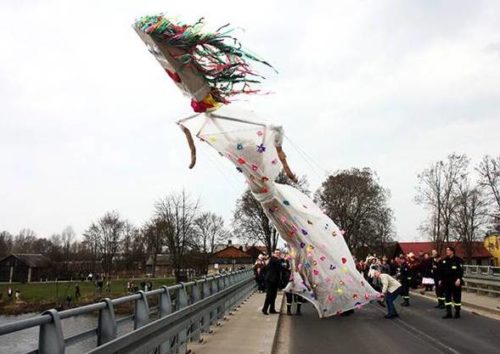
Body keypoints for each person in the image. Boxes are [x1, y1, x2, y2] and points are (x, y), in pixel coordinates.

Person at [440, 246, 463, 319]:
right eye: (446, 250)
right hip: (447, 282)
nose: (446, 251)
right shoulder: (444, 260)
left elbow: (460, 271)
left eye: (448, 250)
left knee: (457, 298)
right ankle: (448, 312)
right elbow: (442, 271)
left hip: (455, 282)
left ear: (452, 251)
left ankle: (457, 312)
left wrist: (459, 279)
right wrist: (441, 280)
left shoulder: (458, 260)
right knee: (447, 298)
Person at [262, 250, 282, 315]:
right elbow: (278, 263)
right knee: (269, 295)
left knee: (274, 295)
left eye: (278, 253)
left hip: (275, 280)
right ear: (273, 254)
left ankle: (272, 309)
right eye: (276, 253)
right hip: (270, 280)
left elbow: (281, 268)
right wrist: (281, 259)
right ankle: (264, 309)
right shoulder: (273, 259)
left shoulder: (277, 260)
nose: (277, 254)